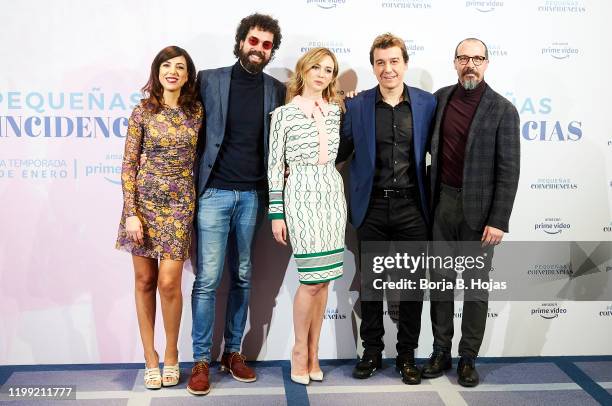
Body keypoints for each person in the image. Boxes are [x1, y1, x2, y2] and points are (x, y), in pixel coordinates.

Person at [188, 13, 285, 396]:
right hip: (213, 193)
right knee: (208, 279)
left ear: (271, 50)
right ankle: (199, 360)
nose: (258, 49)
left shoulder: (276, 90)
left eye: (265, 44)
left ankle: (233, 352)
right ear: (241, 41)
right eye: (253, 41)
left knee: (243, 276)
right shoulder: (209, 79)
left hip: (253, 196)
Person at [336, 33, 436, 385]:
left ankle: (407, 355)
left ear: (405, 63)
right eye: (380, 62)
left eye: (394, 61)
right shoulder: (358, 105)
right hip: (372, 207)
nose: (388, 68)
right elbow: (339, 153)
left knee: (410, 288)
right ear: (373, 66)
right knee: (371, 286)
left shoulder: (427, 104)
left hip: (413, 208)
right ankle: (372, 352)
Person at [422, 37, 520, 387]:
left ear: (487, 64)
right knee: (441, 284)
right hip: (443, 205)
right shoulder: (439, 100)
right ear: (454, 62)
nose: (470, 65)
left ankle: (468, 358)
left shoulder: (503, 109)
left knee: (476, 288)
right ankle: (440, 352)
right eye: (464, 58)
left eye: (477, 58)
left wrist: (498, 219)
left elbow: (509, 170)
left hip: (481, 216)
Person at [116, 46, 202, 389]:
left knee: (169, 282)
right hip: (143, 206)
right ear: (158, 71)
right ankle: (150, 357)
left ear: (187, 75)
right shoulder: (142, 111)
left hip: (180, 203)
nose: (173, 71)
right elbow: (128, 164)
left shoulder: (196, 112)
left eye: (180, 67)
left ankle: (171, 353)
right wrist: (131, 213)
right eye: (167, 65)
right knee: (144, 282)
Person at [268, 47, 346, 385]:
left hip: (332, 192)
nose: (321, 74)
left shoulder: (336, 112)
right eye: (316, 67)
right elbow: (274, 166)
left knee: (326, 279)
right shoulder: (283, 114)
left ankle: (315, 353)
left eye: (328, 70)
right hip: (299, 192)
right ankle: (299, 350)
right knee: (310, 280)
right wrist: (276, 212)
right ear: (304, 69)